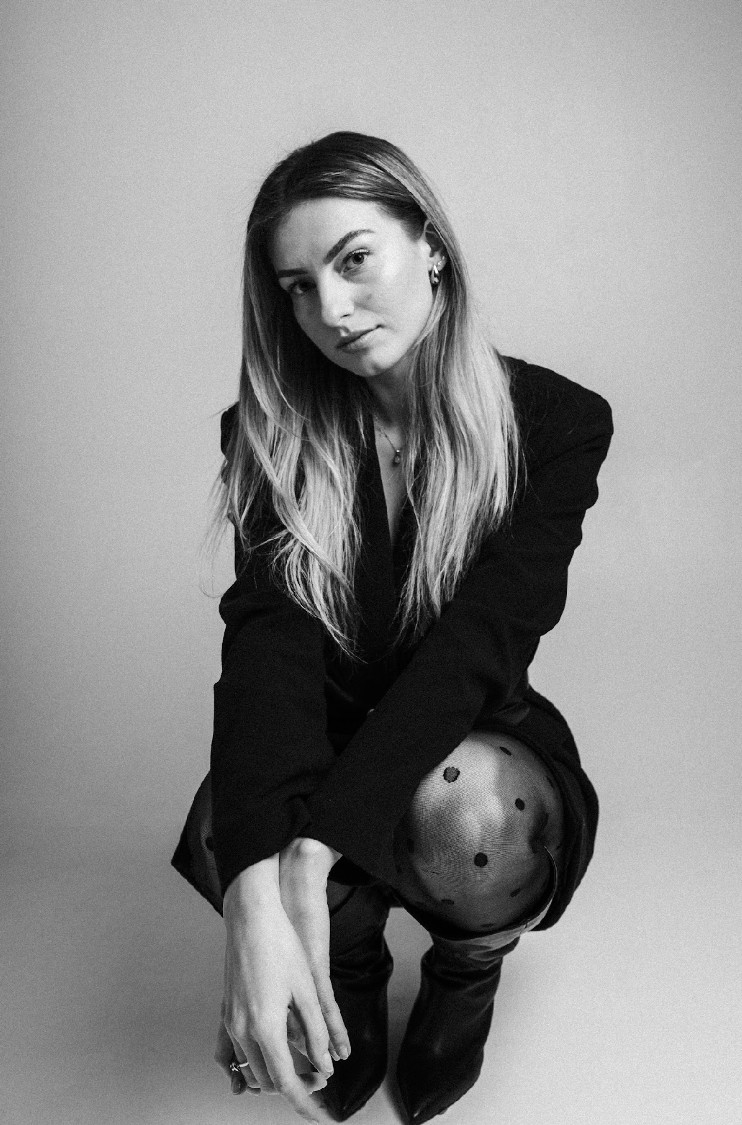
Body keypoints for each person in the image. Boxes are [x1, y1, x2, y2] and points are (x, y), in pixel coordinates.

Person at [171, 130, 613, 1125]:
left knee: (476, 813)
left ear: (431, 247)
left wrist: (317, 846)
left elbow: (480, 644)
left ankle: (466, 970)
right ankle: (349, 972)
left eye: (354, 260)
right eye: (297, 287)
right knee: (231, 829)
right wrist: (255, 887)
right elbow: (267, 648)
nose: (328, 310)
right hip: (323, 726)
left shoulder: (554, 422)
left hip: (465, 727)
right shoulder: (268, 433)